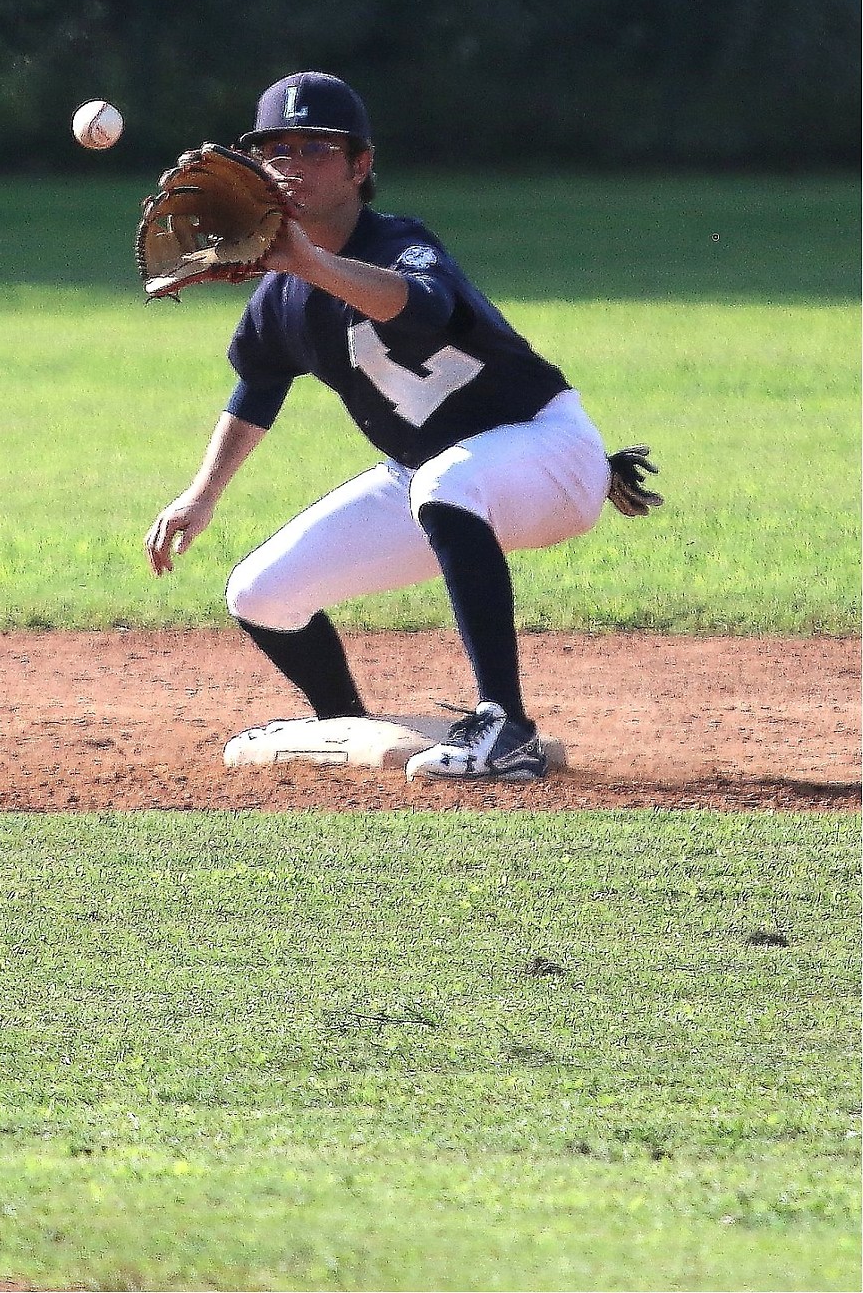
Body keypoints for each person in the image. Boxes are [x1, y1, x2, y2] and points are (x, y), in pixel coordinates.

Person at [144, 71, 633, 782]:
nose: (292, 165)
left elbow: (424, 307)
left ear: (360, 166)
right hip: (432, 477)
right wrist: (201, 494)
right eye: (276, 150)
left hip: (549, 452)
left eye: (317, 148)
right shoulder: (279, 296)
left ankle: (506, 728)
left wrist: (311, 263)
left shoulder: (400, 244)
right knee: (261, 593)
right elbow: (259, 385)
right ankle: (343, 721)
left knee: (445, 482)